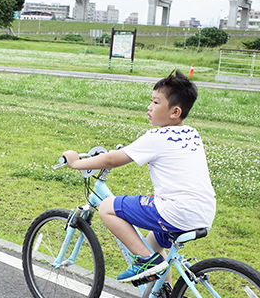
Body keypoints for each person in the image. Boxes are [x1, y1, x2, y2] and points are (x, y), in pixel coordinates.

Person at [62, 70, 215, 284]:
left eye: (155, 102)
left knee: (107, 207)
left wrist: (76, 163)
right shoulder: (192, 134)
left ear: (175, 111)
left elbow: (111, 160)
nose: (149, 107)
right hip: (203, 212)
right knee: (153, 243)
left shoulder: (157, 137)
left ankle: (146, 262)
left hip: (176, 211)